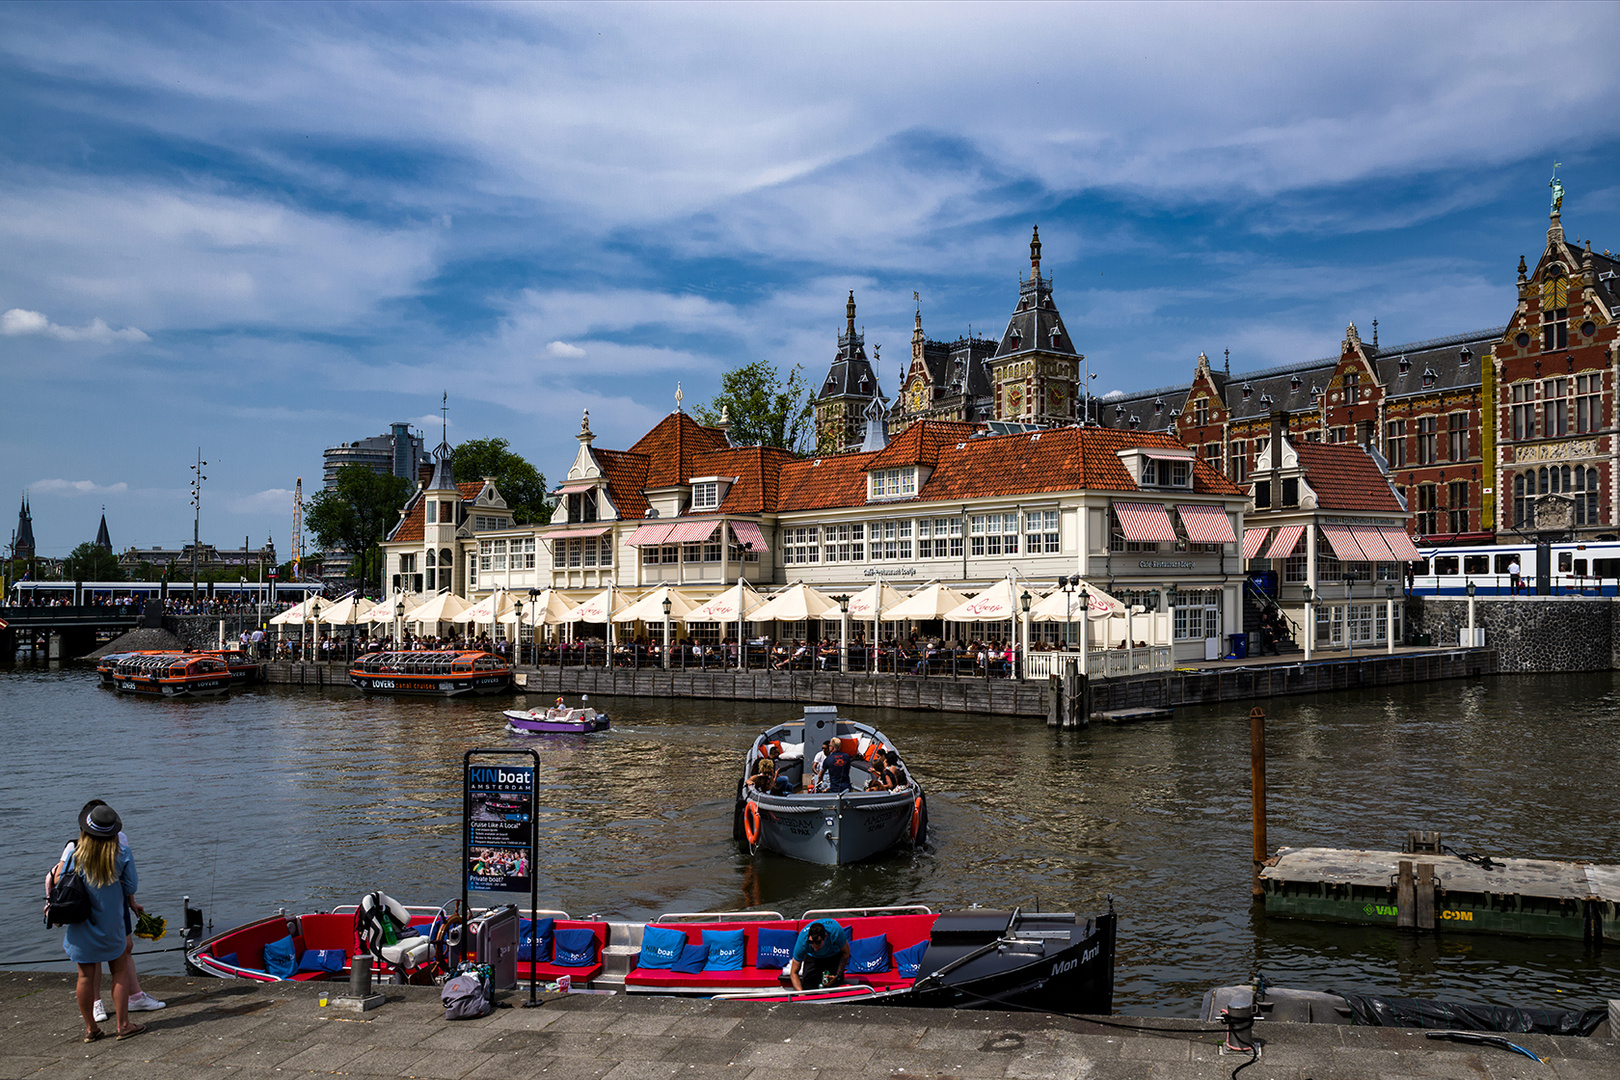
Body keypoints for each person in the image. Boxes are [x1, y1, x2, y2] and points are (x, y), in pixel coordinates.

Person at [47, 800, 165, 1026]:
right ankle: (123, 1025)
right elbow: (130, 887)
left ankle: (91, 1028)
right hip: (112, 923)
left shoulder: (75, 854)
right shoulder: (122, 853)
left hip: (82, 922)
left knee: (84, 976)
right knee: (119, 972)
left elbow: (61, 881)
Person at [787, 917, 850, 991]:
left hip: (833, 954)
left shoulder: (835, 931)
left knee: (834, 984)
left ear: (825, 937)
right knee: (808, 987)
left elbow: (846, 953)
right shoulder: (803, 941)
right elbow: (794, 972)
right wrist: (801, 994)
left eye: (818, 942)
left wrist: (837, 976)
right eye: (811, 942)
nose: (815, 946)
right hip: (813, 957)